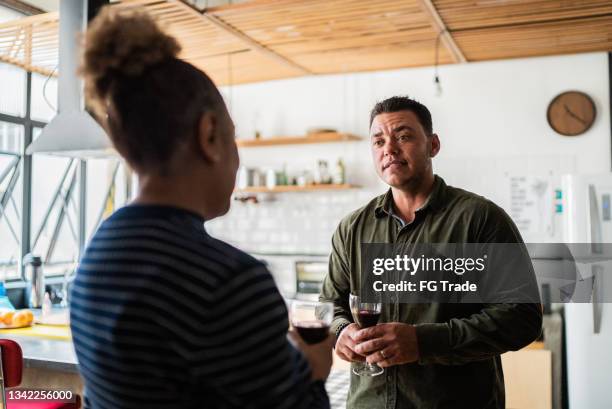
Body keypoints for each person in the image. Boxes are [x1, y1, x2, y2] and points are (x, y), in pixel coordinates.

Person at [70, 7, 332, 409]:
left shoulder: (98, 252)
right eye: (233, 137)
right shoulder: (231, 281)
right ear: (209, 135)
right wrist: (314, 365)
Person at [319, 96, 543, 409]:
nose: (390, 149)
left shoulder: (480, 219)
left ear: (433, 145)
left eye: (403, 136)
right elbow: (329, 304)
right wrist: (341, 331)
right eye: (379, 141)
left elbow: (523, 317)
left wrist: (422, 342)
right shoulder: (352, 228)